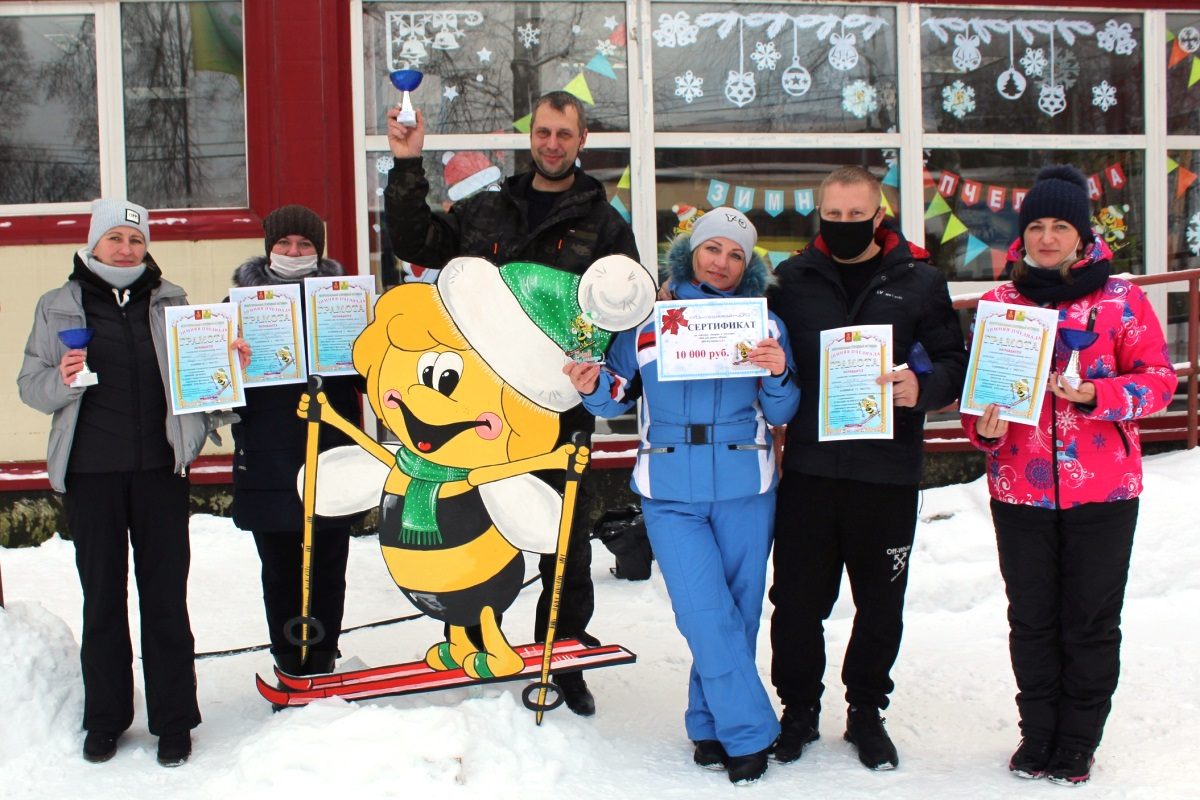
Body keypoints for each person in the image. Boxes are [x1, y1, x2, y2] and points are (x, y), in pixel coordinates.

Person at [384, 89, 639, 715]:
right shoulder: (488, 209)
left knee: (562, 540)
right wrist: (407, 165)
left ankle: (563, 655)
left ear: (583, 142)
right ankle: (469, 636)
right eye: (544, 132)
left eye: (565, 134)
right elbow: (415, 239)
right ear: (533, 138)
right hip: (481, 411)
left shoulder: (606, 225)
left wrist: (608, 374)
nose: (552, 144)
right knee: (468, 525)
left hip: (558, 411)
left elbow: (626, 314)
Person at [563, 208, 799, 785]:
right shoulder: (647, 320)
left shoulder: (764, 323)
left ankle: (707, 722)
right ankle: (749, 732)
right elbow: (615, 394)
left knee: (736, 612)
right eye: (712, 249)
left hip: (746, 483)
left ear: (748, 266)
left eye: (736, 254)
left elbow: (783, 410)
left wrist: (777, 373)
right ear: (691, 252)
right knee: (701, 611)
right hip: (669, 486)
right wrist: (592, 386)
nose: (722, 262)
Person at [962, 165, 1177, 786]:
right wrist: (987, 429)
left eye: (1061, 226)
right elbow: (981, 401)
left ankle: (1078, 740)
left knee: (1089, 619)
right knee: (1031, 617)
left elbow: (1160, 381)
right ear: (1021, 235)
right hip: (1018, 488)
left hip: (1104, 489)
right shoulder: (1000, 304)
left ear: (1083, 237)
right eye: (1037, 226)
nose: (1048, 238)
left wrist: (1095, 396)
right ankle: (1038, 735)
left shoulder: (1121, 299)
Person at [767, 166, 968, 770]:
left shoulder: (920, 281)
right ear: (820, 214)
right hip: (811, 470)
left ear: (879, 216)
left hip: (887, 473)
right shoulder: (792, 280)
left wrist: (924, 387)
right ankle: (798, 708)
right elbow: (755, 344)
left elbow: (952, 357)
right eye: (836, 215)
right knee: (798, 602)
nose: (847, 224)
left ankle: (865, 712)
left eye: (859, 215)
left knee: (880, 604)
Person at [17, 199, 208, 767]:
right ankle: (105, 719)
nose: (125, 248)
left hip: (159, 472)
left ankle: (174, 721)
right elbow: (31, 386)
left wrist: (227, 364)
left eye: (135, 238)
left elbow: (201, 380)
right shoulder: (57, 305)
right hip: (91, 474)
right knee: (102, 599)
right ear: (93, 241)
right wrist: (62, 378)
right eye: (115, 237)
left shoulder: (171, 301)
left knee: (166, 600)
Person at [228, 205, 365, 677]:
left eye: (304, 245)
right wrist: (232, 362)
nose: (293, 252)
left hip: (333, 452)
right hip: (267, 458)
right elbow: (214, 382)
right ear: (268, 248)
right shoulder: (240, 305)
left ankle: (322, 659)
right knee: (281, 569)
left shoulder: (345, 301)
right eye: (284, 243)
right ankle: (288, 660)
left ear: (319, 251)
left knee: (328, 565)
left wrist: (367, 346)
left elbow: (372, 378)